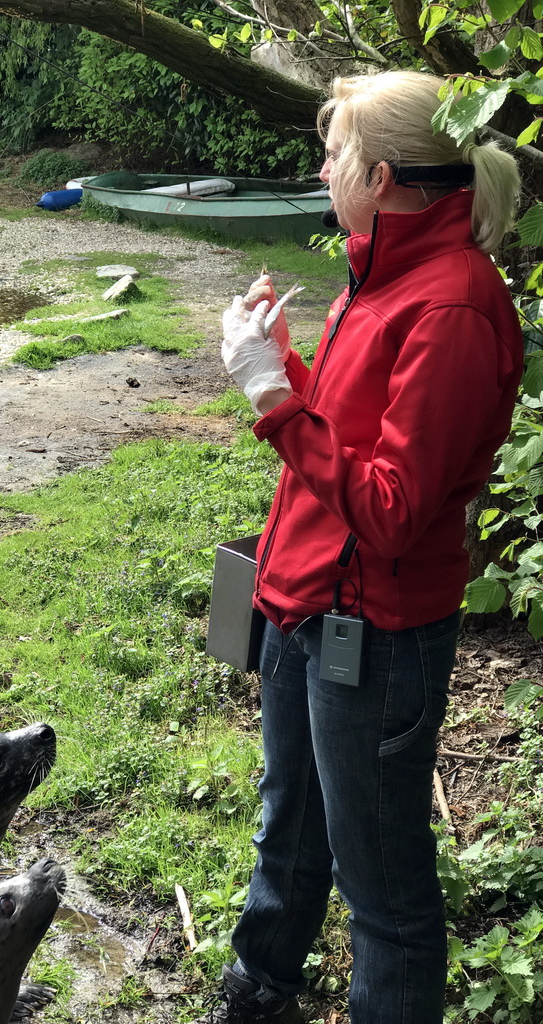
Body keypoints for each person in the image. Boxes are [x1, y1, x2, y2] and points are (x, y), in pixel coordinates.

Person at [216, 70, 523, 1024]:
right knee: (289, 832)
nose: (321, 166)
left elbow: (389, 511)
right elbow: (349, 438)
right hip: (306, 604)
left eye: (335, 153)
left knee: (382, 894)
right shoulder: (379, 271)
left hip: (376, 637)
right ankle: (258, 991)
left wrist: (273, 400)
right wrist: (284, 361)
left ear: (384, 177)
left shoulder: (454, 309)